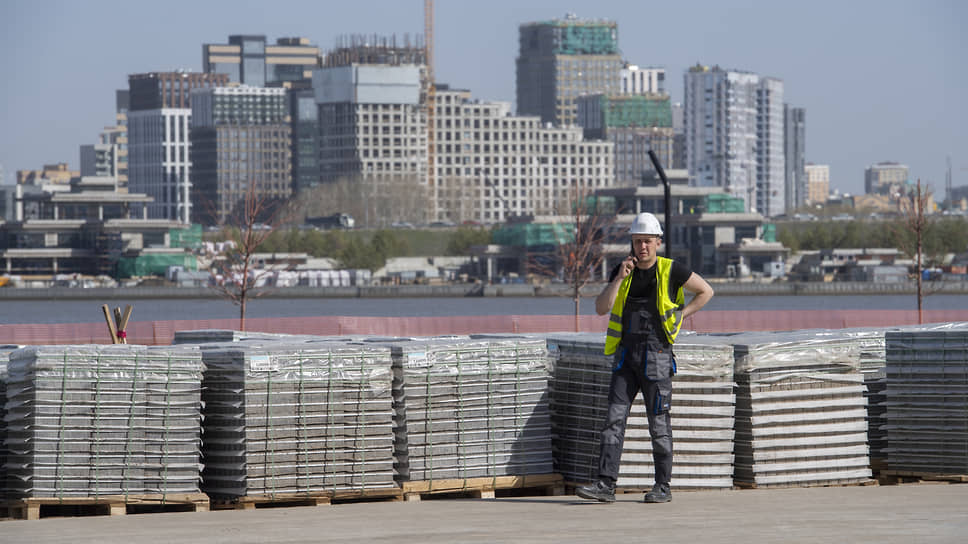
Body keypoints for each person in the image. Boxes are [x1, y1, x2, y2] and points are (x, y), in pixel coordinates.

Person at [576, 212, 714, 504]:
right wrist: (617, 279)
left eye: (648, 242)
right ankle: (605, 485)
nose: (642, 248)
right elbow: (602, 308)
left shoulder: (671, 270)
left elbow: (706, 291)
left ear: (658, 242)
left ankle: (662, 486)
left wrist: (680, 316)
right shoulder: (621, 270)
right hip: (625, 357)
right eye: (638, 242)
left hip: (657, 356)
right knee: (613, 419)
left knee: (659, 424)